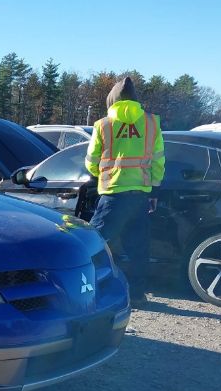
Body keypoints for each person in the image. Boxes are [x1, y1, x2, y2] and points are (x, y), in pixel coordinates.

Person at [85, 77, 164, 307]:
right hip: (139, 195)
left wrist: (99, 175)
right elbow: (158, 161)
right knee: (138, 248)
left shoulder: (103, 125)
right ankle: (138, 295)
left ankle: (93, 293)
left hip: (112, 194)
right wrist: (154, 190)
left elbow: (91, 161)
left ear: (112, 100)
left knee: (95, 244)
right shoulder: (151, 124)